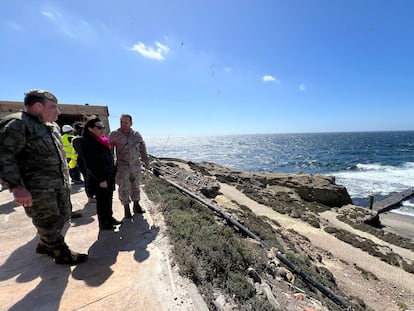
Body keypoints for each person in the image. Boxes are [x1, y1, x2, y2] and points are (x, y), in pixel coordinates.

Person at [0, 89, 88, 265]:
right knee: (47, 220)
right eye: (54, 107)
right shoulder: (17, 124)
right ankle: (61, 253)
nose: (58, 112)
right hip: (37, 187)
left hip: (58, 183)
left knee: (63, 216)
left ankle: (45, 244)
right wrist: (16, 186)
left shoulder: (50, 126)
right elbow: (4, 156)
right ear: (38, 106)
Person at [81, 117, 121, 230]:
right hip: (100, 178)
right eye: (99, 127)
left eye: (102, 127)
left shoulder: (102, 140)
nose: (102, 129)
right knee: (102, 200)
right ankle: (104, 222)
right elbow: (90, 164)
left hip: (108, 175)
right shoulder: (89, 142)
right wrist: (101, 179)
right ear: (90, 129)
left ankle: (109, 217)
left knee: (108, 198)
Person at [109, 114, 149, 219]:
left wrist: (146, 162)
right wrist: (110, 166)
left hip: (135, 165)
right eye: (121, 122)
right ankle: (126, 208)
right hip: (122, 166)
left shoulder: (137, 135)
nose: (123, 124)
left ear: (131, 123)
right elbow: (110, 152)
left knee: (136, 186)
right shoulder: (114, 135)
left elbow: (143, 149)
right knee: (123, 187)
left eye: (126, 122)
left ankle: (136, 205)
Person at [72, 121, 96, 202]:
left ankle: (91, 195)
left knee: (88, 178)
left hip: (82, 161)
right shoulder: (82, 140)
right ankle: (91, 196)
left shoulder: (75, 140)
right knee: (89, 178)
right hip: (87, 161)